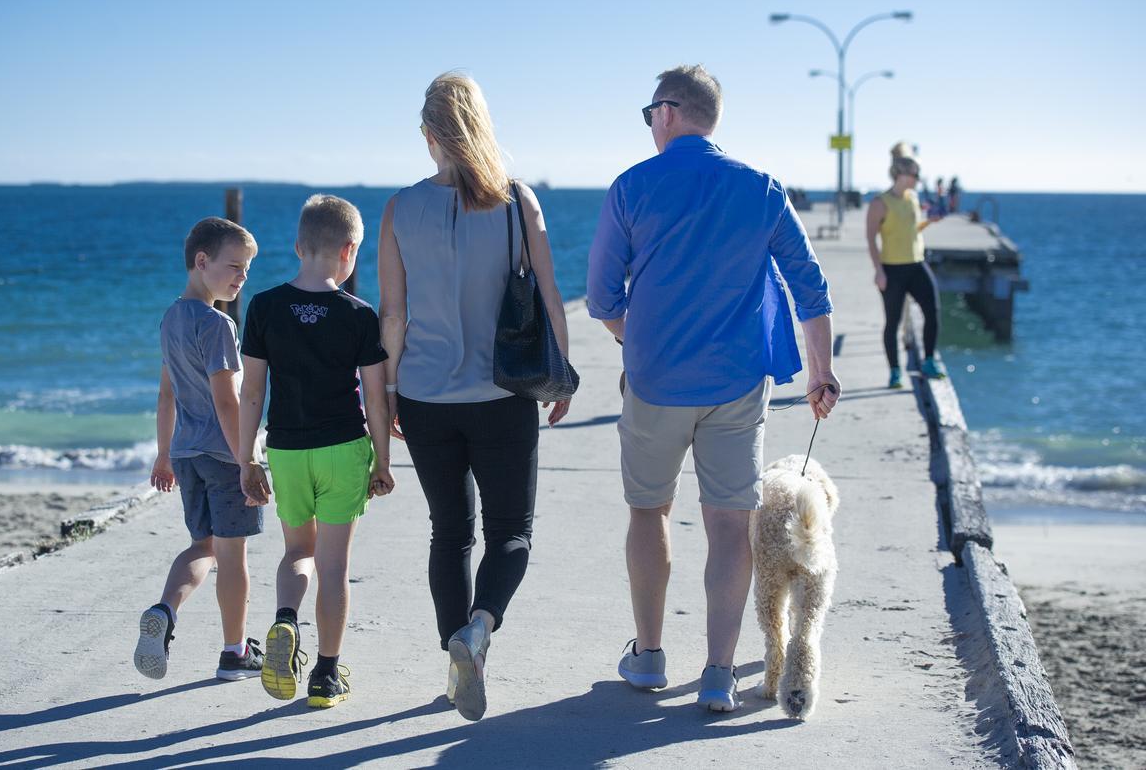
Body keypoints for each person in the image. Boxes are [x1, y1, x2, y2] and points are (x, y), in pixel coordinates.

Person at [587, 65, 839, 713]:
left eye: (649, 114)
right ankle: (720, 674)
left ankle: (648, 658)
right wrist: (820, 372)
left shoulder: (631, 187)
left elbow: (599, 296)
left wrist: (633, 339)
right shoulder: (760, 189)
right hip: (734, 385)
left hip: (655, 382)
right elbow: (809, 287)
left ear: (668, 112)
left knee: (650, 512)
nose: (649, 124)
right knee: (730, 526)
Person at [377, 72, 572, 722]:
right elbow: (547, 295)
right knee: (511, 532)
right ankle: (478, 632)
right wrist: (562, 373)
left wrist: (391, 393)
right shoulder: (518, 202)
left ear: (428, 135)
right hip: (503, 393)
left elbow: (393, 317)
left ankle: (457, 660)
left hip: (426, 397)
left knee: (449, 533)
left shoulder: (400, 208)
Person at [237, 195, 395, 709]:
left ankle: (285, 620)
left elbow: (252, 392)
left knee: (297, 553)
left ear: (299, 246)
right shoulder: (358, 314)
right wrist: (383, 461)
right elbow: (375, 395)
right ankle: (326, 676)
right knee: (333, 565)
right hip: (343, 449)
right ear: (350, 251)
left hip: (286, 449)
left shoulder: (263, 307)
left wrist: (247, 458)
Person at [136, 216, 265, 683]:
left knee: (202, 547)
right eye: (234, 266)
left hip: (188, 455)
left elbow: (165, 393)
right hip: (222, 455)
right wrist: (246, 461)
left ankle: (164, 610)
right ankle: (235, 653)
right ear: (201, 261)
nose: (241, 277)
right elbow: (227, 400)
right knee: (232, 556)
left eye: (247, 270)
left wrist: (164, 453)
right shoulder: (218, 325)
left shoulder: (171, 318)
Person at [866, 150, 945, 388]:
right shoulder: (880, 203)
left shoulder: (912, 198)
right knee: (893, 323)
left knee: (933, 311)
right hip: (892, 269)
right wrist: (878, 270)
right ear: (900, 173)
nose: (917, 179)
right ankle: (895, 372)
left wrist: (928, 223)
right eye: (915, 174)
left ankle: (929, 361)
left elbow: (911, 230)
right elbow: (871, 239)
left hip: (916, 264)